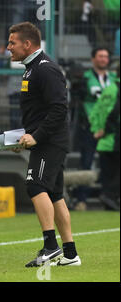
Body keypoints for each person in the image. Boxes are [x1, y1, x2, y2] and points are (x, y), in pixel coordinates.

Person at [6, 22, 81, 267]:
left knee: (35, 185)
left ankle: (50, 246)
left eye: (12, 43)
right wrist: (23, 137)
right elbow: (40, 112)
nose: (8, 48)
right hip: (46, 141)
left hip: (50, 142)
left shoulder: (45, 69)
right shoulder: (32, 68)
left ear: (27, 44)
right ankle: (70, 254)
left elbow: (59, 109)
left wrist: (37, 136)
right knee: (55, 194)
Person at [73, 47, 117, 211]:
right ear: (93, 59)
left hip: (110, 128)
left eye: (106, 56)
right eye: (100, 56)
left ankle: (110, 197)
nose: (103, 59)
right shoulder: (85, 78)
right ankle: (81, 199)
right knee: (87, 161)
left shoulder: (114, 78)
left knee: (110, 164)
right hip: (90, 126)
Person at [90, 71, 120, 211]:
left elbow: (96, 111)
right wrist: (106, 130)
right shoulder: (117, 89)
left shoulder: (109, 88)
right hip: (114, 139)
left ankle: (109, 201)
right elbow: (114, 113)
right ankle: (109, 197)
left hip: (104, 142)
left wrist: (97, 130)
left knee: (108, 175)